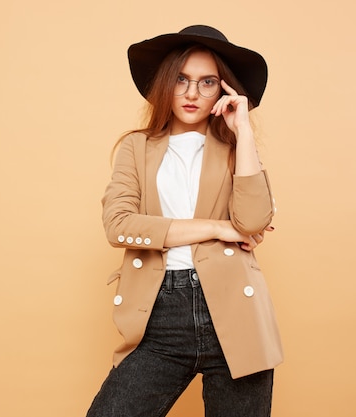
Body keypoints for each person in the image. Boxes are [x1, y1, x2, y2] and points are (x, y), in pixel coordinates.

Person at [86, 25, 283, 417]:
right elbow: (119, 224)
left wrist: (243, 129)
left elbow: (254, 219)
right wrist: (215, 227)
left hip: (234, 310)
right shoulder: (136, 147)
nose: (192, 94)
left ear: (223, 90)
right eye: (181, 79)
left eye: (207, 82)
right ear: (165, 84)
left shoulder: (234, 149)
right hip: (160, 313)